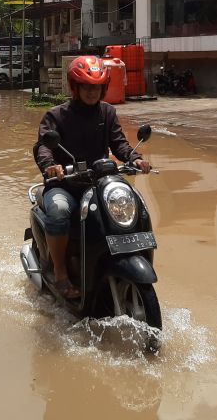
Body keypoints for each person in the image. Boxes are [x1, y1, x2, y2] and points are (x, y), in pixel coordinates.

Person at [33, 55, 151, 300]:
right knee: (59, 211)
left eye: (96, 87)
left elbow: (119, 144)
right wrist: (51, 166)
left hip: (99, 183)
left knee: (134, 204)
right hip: (65, 184)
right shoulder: (56, 116)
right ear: (75, 88)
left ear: (103, 88)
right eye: (86, 86)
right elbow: (43, 147)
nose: (91, 92)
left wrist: (135, 158)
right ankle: (61, 273)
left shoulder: (107, 112)